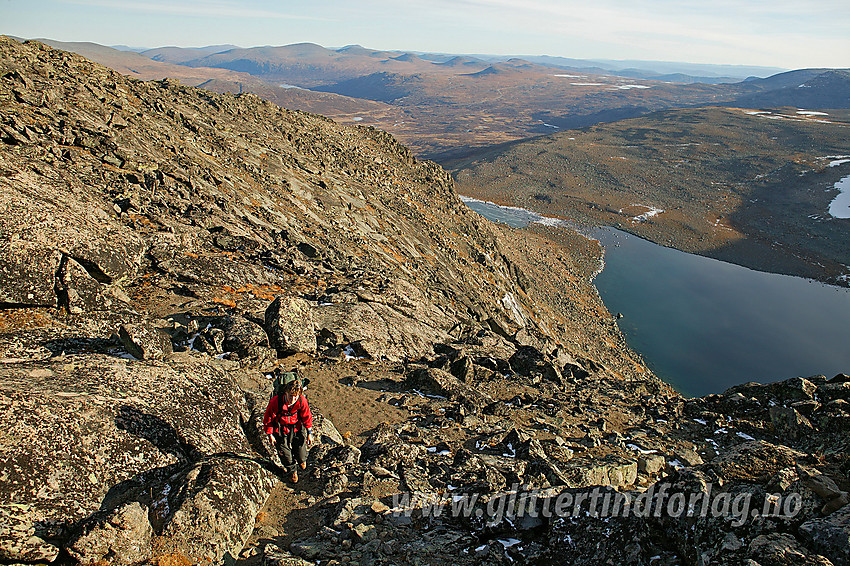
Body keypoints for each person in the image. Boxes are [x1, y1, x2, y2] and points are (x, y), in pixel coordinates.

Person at [263, 374, 313, 483]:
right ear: (285, 392)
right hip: (280, 429)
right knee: (285, 453)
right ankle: (292, 471)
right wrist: (270, 434)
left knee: (301, 450)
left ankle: (301, 461)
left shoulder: (301, 401)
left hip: (296, 428)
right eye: (291, 396)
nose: (293, 399)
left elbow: (307, 416)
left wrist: (309, 432)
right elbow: (268, 419)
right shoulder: (276, 402)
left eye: (295, 396)